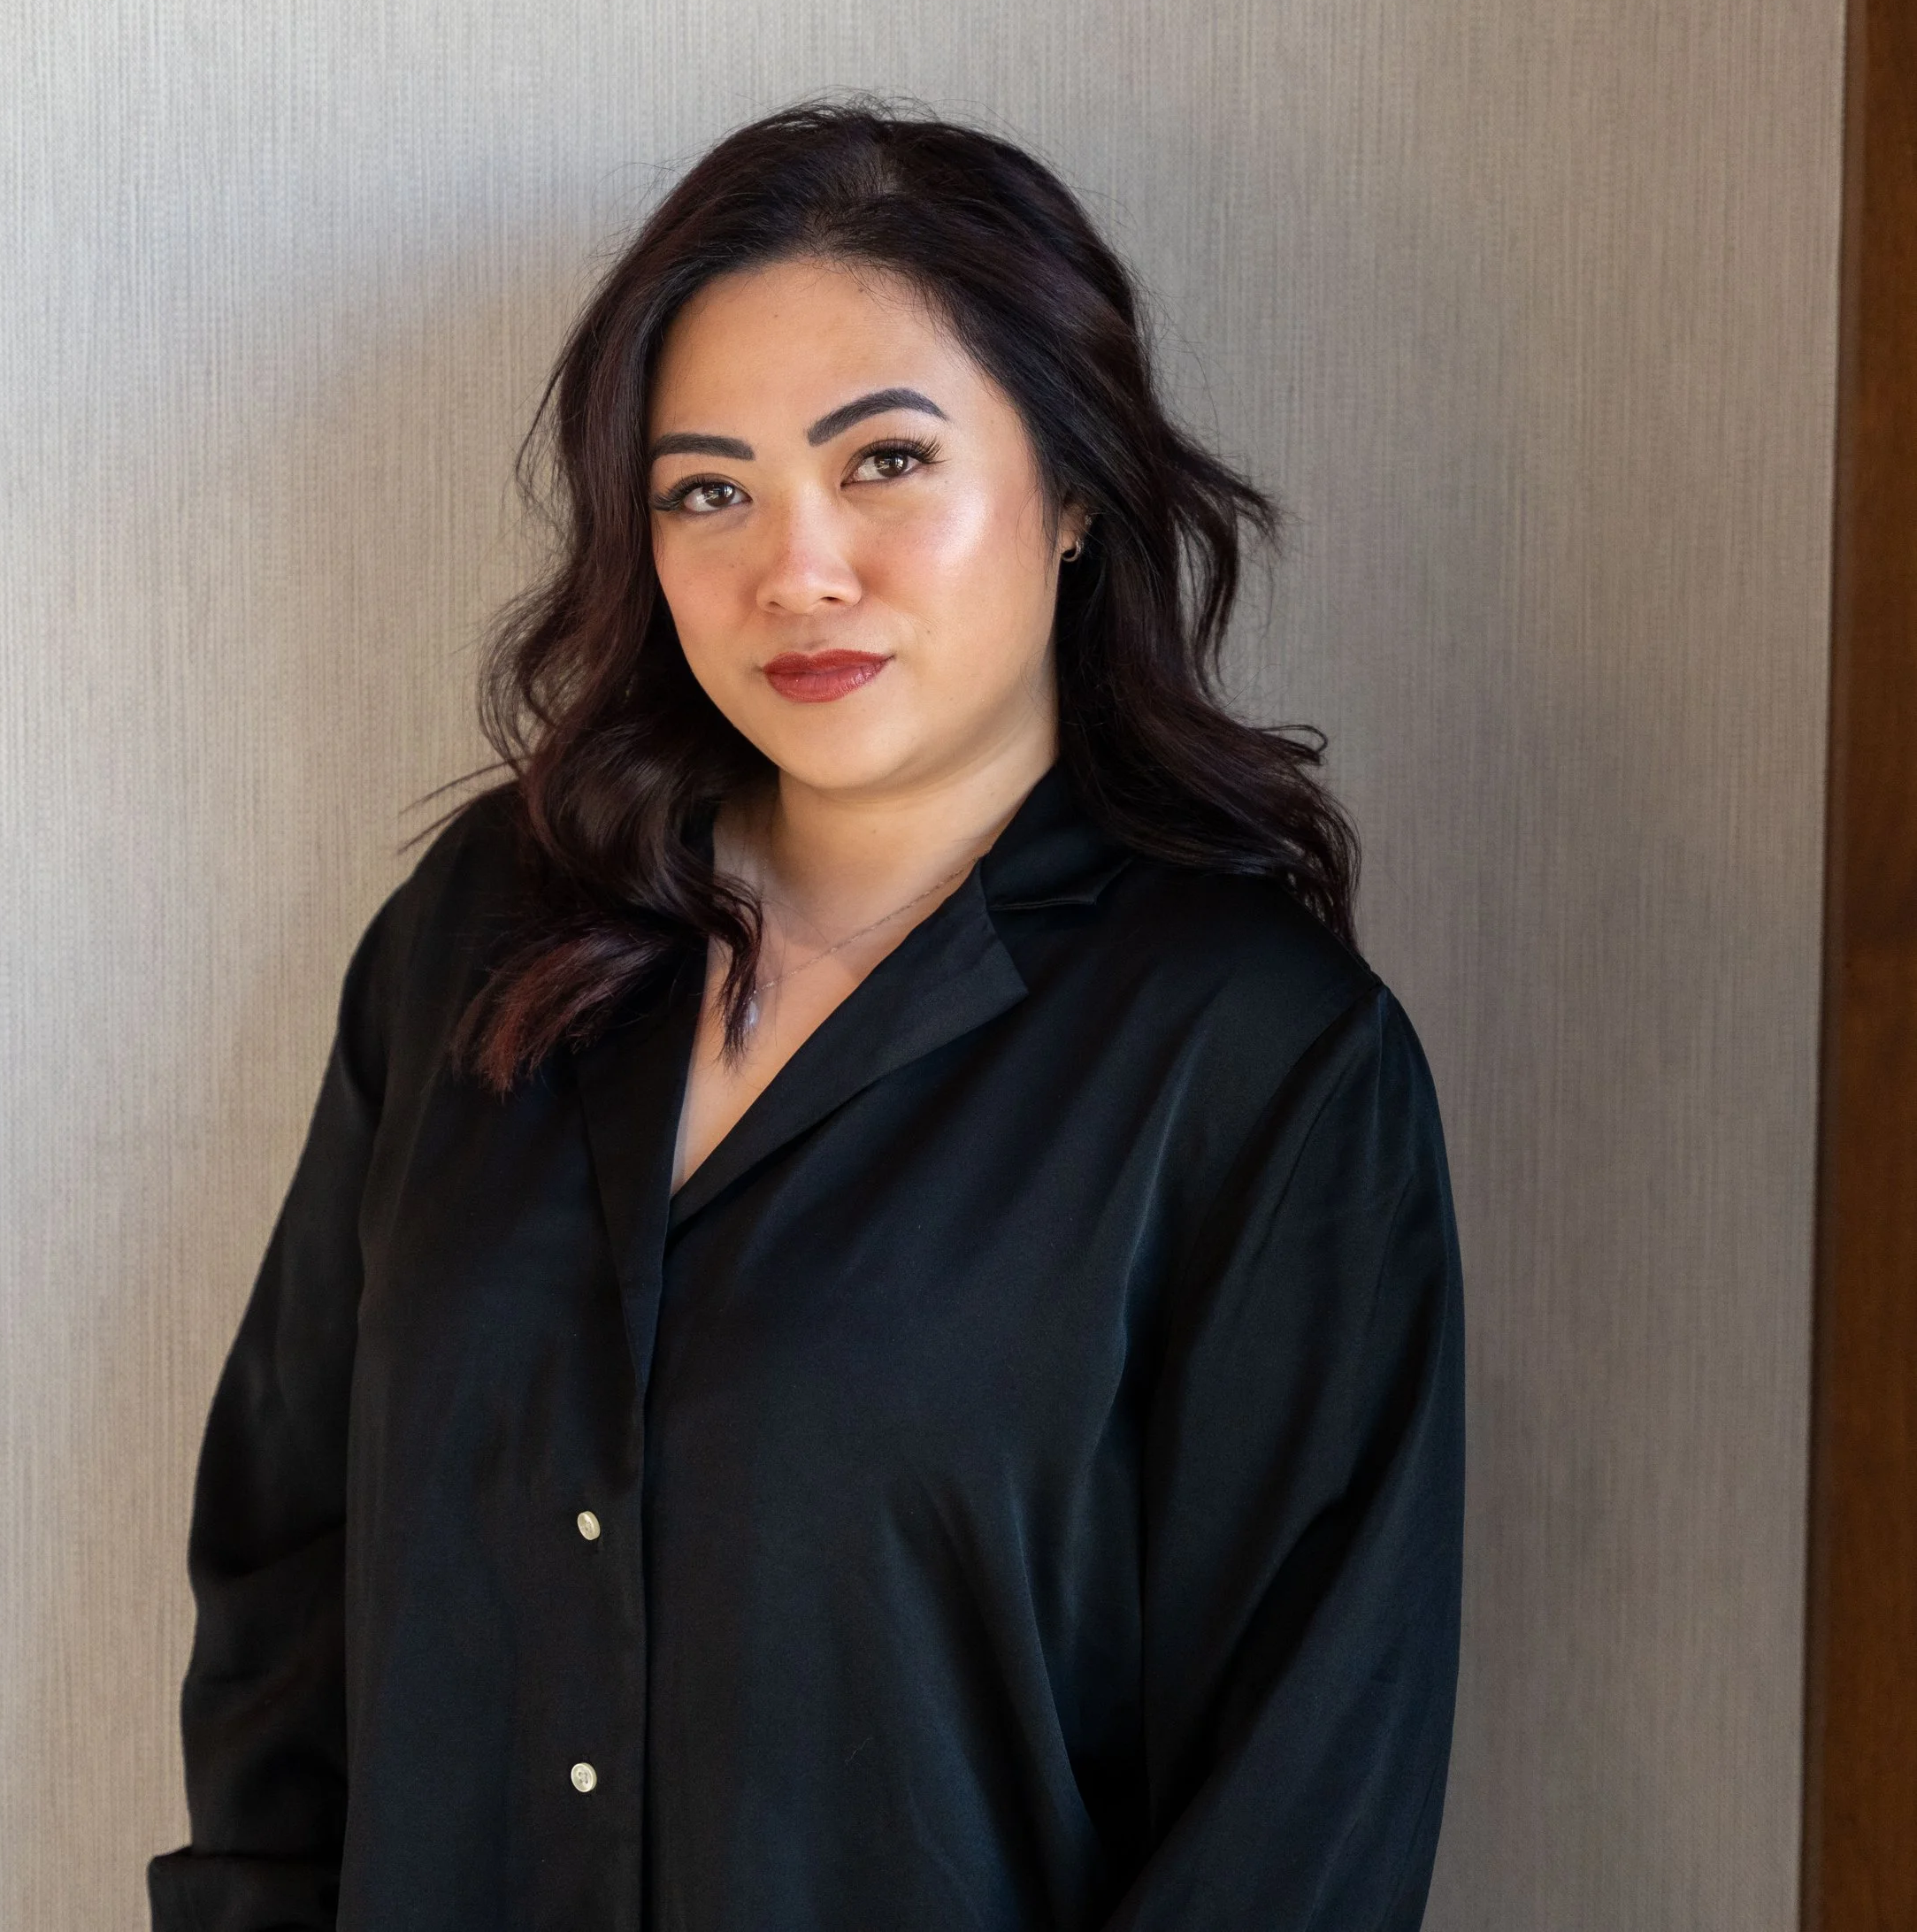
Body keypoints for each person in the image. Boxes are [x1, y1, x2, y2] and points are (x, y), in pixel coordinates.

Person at [148, 102, 1464, 1932]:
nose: (798, 569)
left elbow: (1298, 1809)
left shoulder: (1255, 1062)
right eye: (708, 489)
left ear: (1073, 488)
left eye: (885, 462)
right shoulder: (478, 932)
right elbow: (285, 1569)